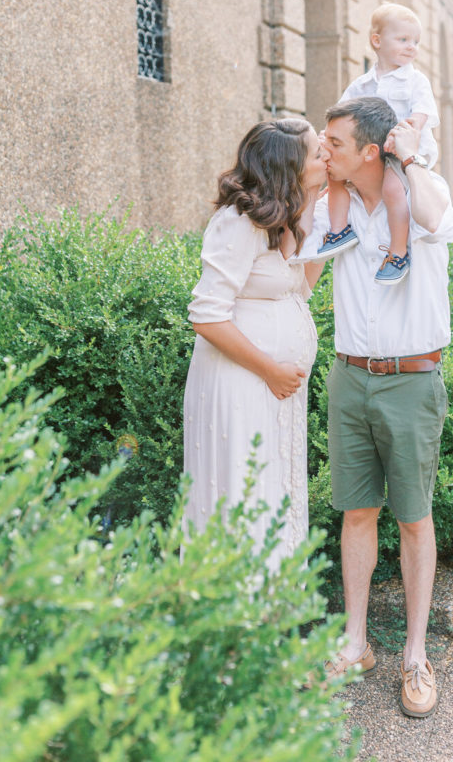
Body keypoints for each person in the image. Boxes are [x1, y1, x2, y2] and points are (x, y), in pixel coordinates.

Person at [309, 96, 453, 718]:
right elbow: (297, 255)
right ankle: (355, 643)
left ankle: (415, 656)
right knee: (356, 515)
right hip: (348, 378)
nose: (326, 149)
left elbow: (435, 214)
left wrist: (410, 152)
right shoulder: (333, 206)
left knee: (414, 519)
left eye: (336, 143)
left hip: (411, 381)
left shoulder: (419, 195)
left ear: (371, 150)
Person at [182, 118, 328, 572]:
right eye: (316, 151)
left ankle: (274, 612)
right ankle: (235, 618)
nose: (325, 155)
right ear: (289, 165)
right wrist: (270, 368)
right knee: (245, 492)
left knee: (275, 490)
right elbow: (206, 315)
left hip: (275, 388)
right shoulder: (238, 222)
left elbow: (300, 288)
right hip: (240, 383)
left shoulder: (284, 218)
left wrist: (314, 215)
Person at [315, 3, 440, 284]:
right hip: (370, 151)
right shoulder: (361, 85)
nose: (412, 47)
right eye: (404, 40)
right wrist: (328, 138)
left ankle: (398, 252)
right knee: (334, 174)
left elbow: (422, 113)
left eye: (416, 42)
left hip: (403, 151)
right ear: (377, 41)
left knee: (393, 188)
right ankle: (339, 229)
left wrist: (407, 133)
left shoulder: (415, 80)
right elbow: (340, 113)